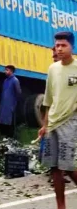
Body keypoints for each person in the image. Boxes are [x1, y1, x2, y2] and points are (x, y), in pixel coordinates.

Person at [39, 31, 77, 209]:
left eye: (64, 45)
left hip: (70, 123)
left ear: (72, 47)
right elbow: (48, 99)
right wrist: (44, 125)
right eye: (57, 45)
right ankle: (60, 206)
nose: (59, 49)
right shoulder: (52, 69)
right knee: (54, 167)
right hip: (52, 124)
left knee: (68, 166)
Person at [0, 65, 21, 137]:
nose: (5, 72)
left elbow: (18, 92)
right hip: (4, 102)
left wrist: (14, 102)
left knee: (9, 120)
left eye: (7, 70)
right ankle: (2, 134)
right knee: (1, 118)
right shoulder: (5, 80)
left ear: (11, 71)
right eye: (5, 70)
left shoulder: (15, 80)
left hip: (10, 103)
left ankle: (10, 135)